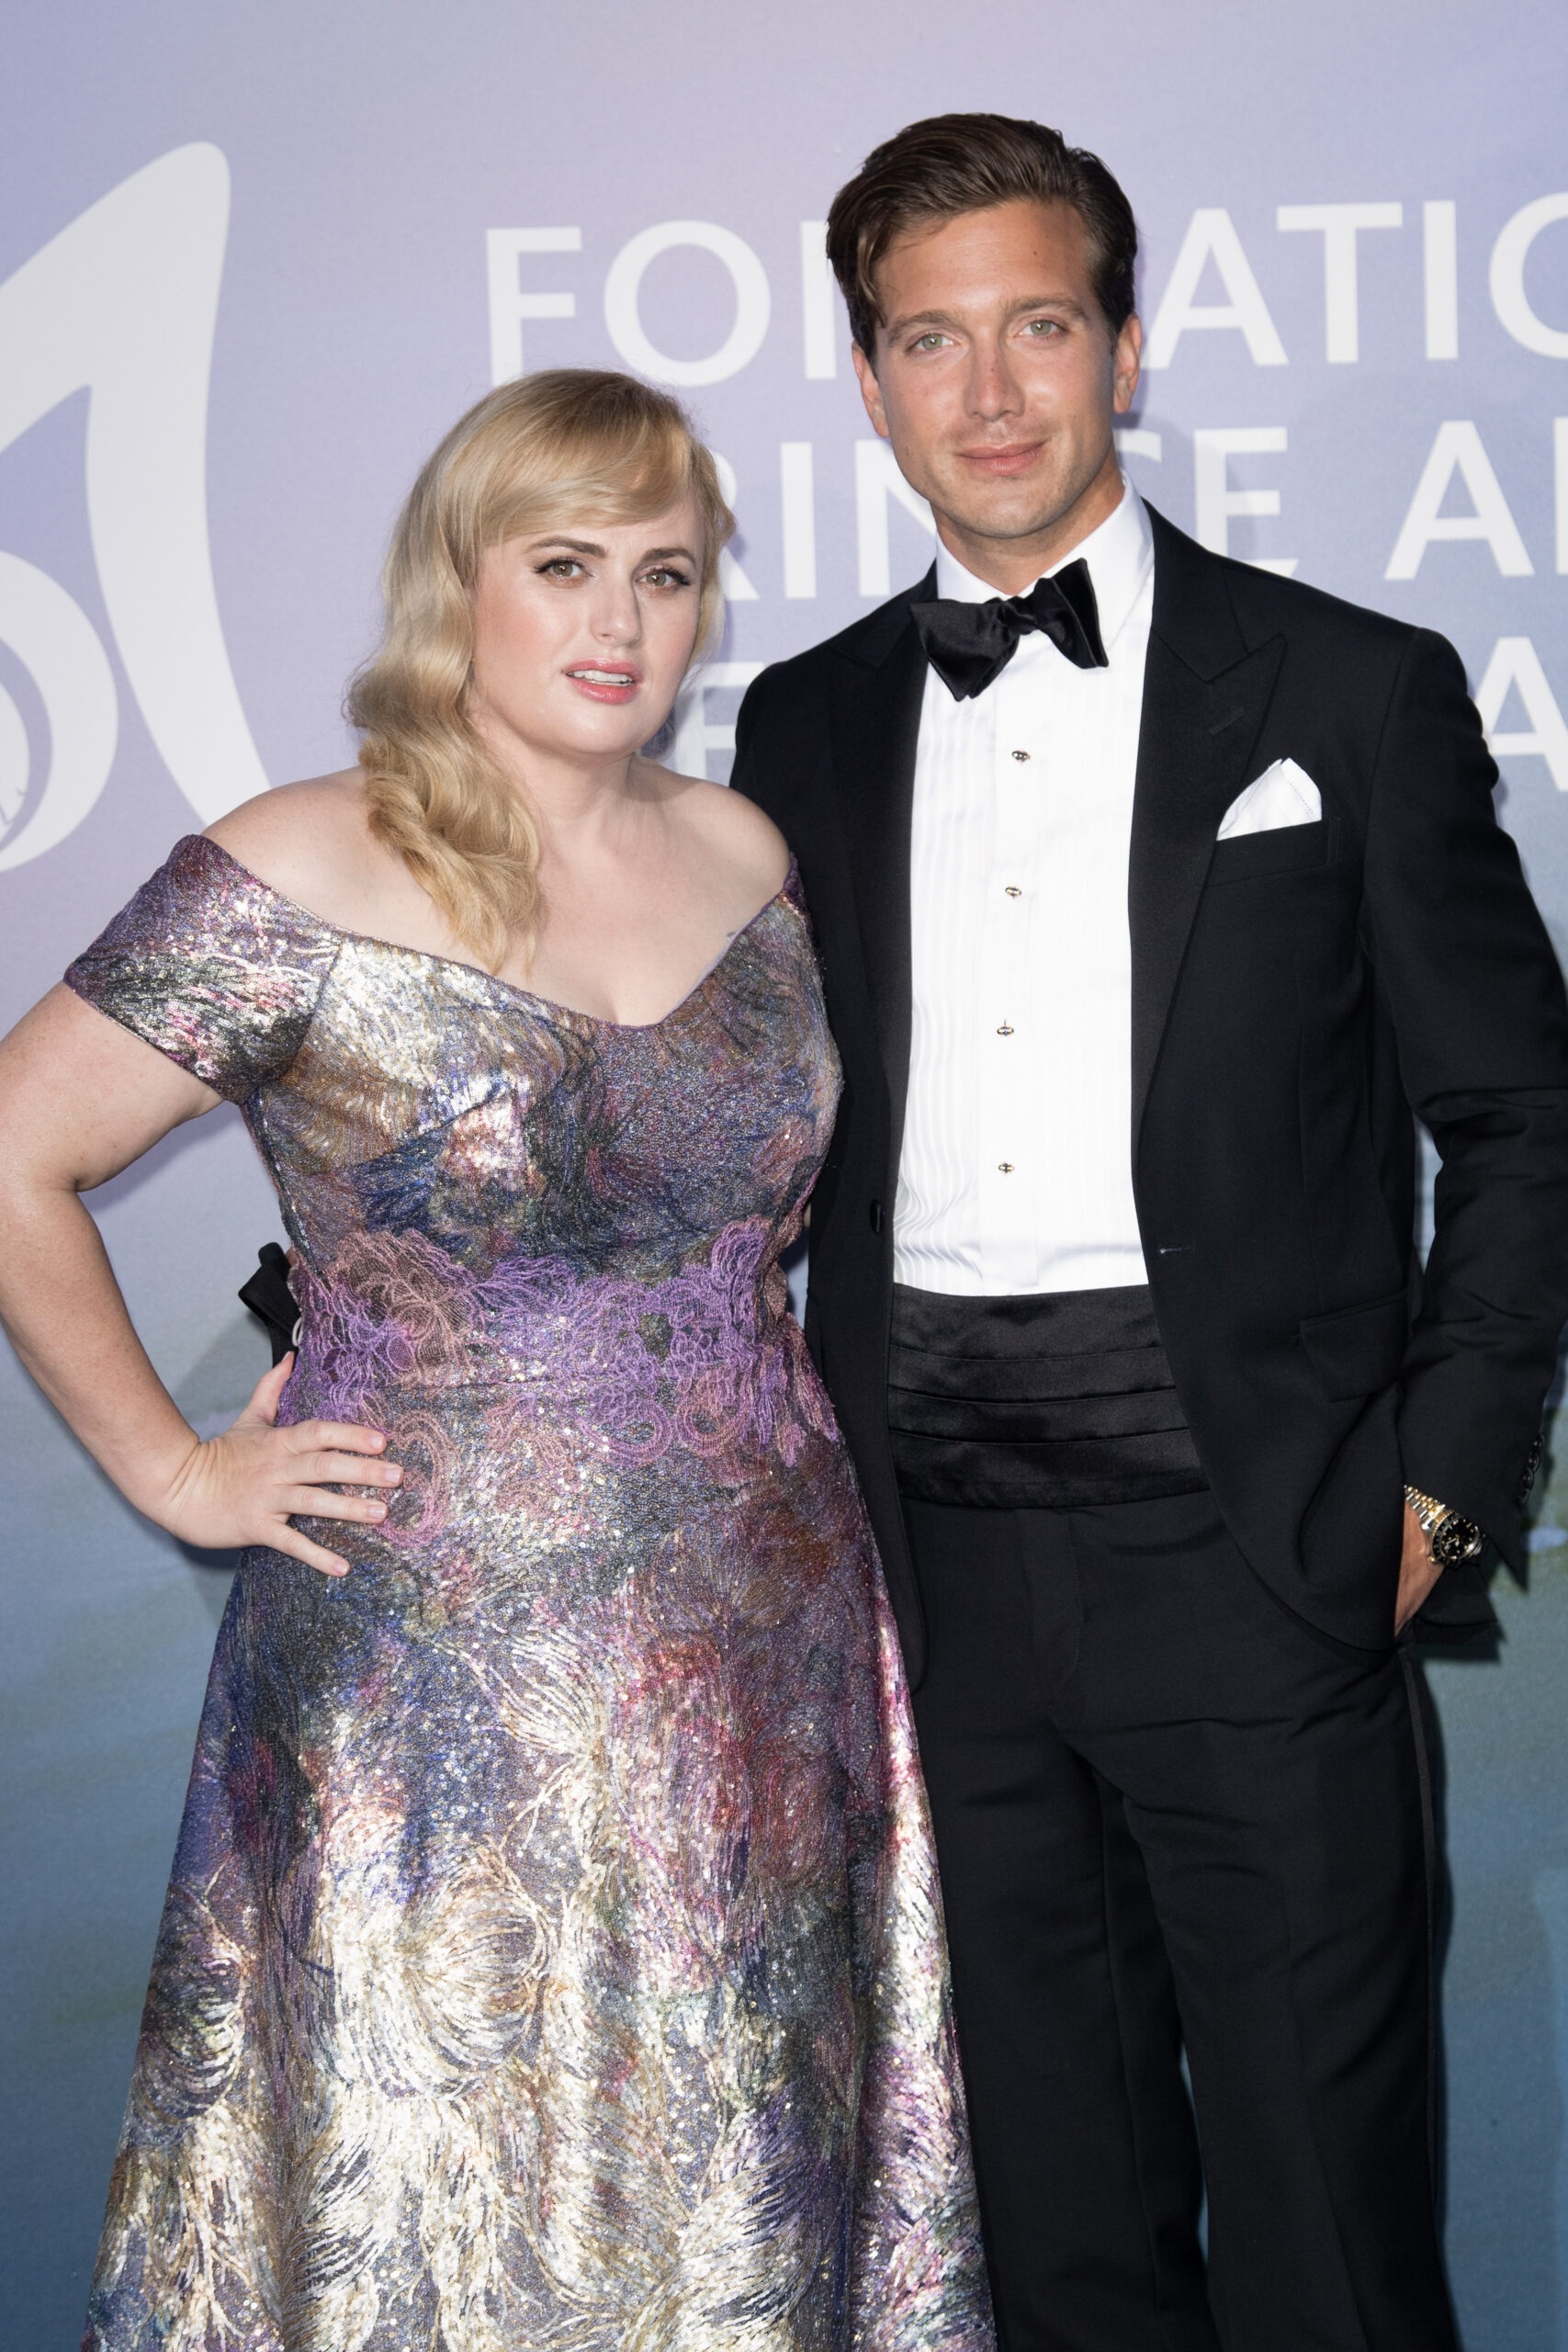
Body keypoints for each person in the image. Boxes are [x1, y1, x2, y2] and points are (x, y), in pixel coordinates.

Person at [0, 369, 994, 2352]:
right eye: (563, 566)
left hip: (764, 1651)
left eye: (665, 572)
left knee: (747, 2175)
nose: (619, 620)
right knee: (437, 2194)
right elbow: (18, 1148)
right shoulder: (299, 863)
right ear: (459, 585)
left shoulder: (744, 853)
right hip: (419, 1684)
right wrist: (178, 1470)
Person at [731, 113, 1568, 2352]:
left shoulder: (1344, 691)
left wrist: (1439, 1483)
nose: (988, 390)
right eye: (929, 339)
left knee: (1324, 2234)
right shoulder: (795, 725)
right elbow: (717, 1136)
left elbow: (1517, 1115)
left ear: (1125, 343)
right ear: (866, 377)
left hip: (1266, 1549)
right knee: (1055, 2239)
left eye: (1034, 325)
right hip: (934, 1589)